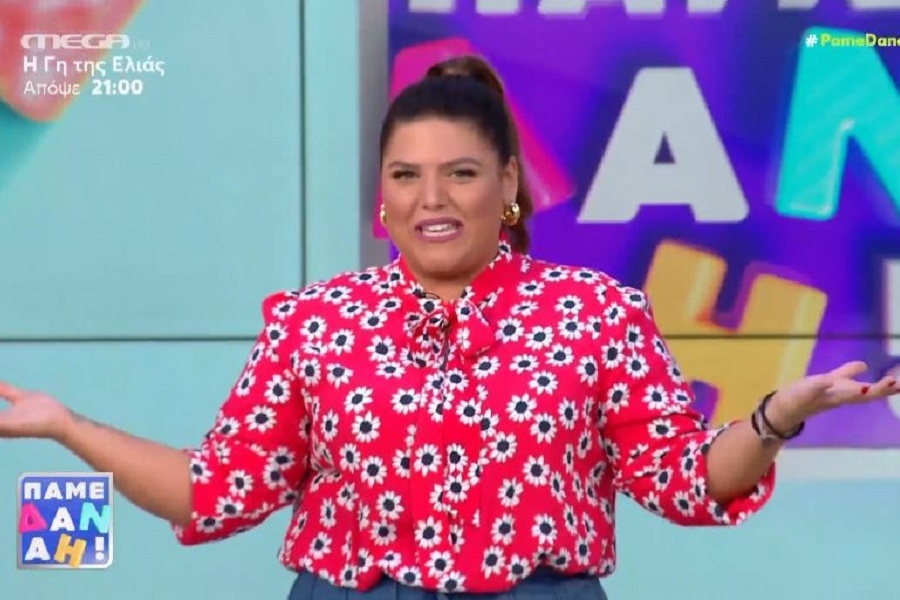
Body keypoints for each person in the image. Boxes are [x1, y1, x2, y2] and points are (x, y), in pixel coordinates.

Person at [0, 55, 895, 599]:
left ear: (507, 186)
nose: (431, 198)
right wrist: (68, 426)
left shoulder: (595, 313)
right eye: (405, 175)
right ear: (382, 196)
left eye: (460, 173)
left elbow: (686, 483)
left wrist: (776, 417)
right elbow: (213, 492)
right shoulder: (316, 323)